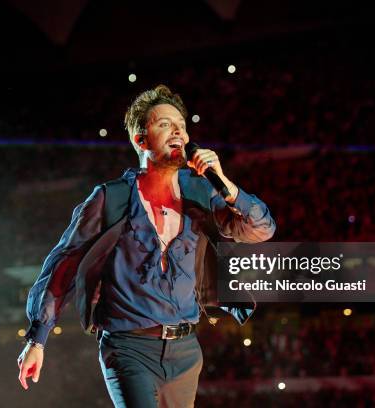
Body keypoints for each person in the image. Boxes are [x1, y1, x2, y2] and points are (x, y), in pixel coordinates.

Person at [17, 85, 276, 407]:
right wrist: (38, 339)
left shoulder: (201, 192)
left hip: (186, 351)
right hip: (128, 348)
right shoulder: (110, 198)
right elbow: (64, 265)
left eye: (181, 126)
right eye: (165, 124)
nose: (178, 132)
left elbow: (261, 229)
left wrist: (227, 184)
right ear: (141, 140)